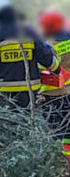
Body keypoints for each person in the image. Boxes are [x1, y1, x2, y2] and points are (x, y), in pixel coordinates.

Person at [0, 0, 58, 107]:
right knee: (27, 120)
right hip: (29, 91)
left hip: (3, 92)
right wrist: (56, 69)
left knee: (5, 121)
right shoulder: (30, 31)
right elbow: (45, 56)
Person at [36, 10, 70, 161]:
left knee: (53, 132)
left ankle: (56, 163)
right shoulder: (67, 39)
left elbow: (41, 66)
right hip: (67, 92)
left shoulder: (46, 44)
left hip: (50, 95)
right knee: (67, 132)